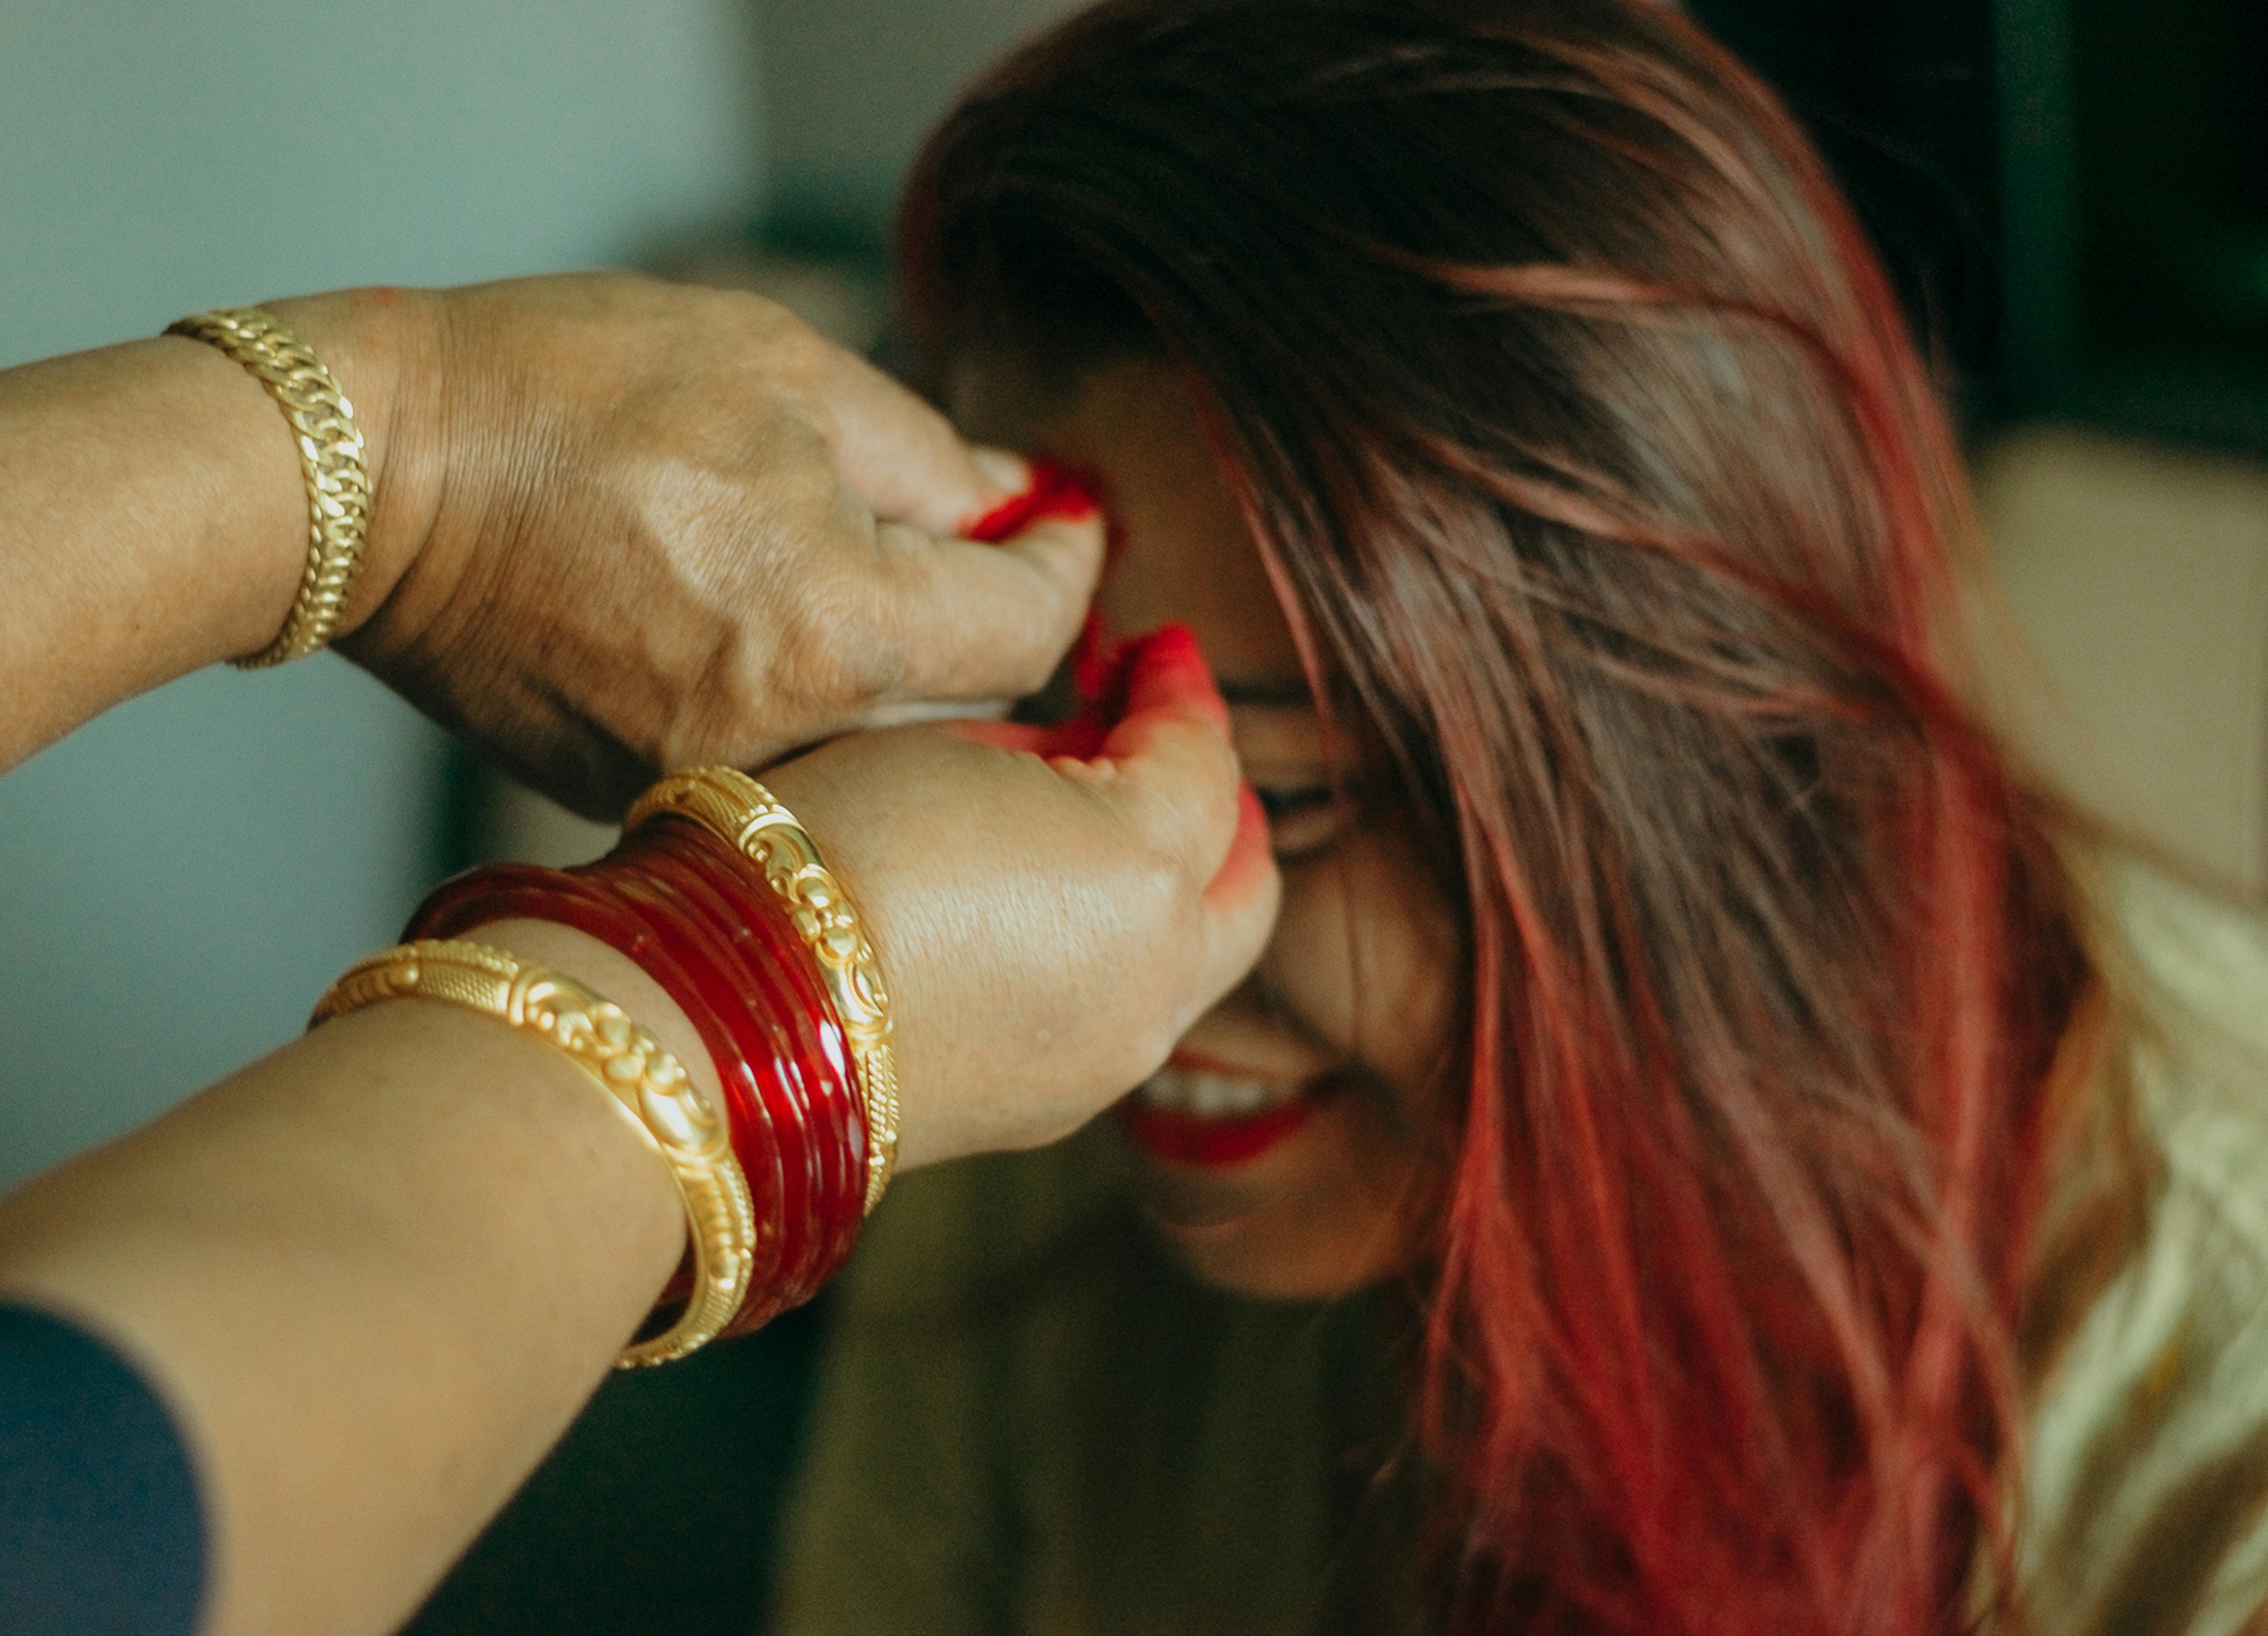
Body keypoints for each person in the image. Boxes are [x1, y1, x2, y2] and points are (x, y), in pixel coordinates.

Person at [770, 4, 2268, 1635]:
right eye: (1031, 732)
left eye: (1280, 791)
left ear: (1686, 791)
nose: (1092, 907)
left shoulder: (2208, 1430)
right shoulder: (1031, 1027)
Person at [0, 271, 1278, 1636]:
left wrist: (419, 449)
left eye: (1302, 790)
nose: (1142, 899)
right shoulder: (1012, 1244)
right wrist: (762, 991)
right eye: (1058, 743)